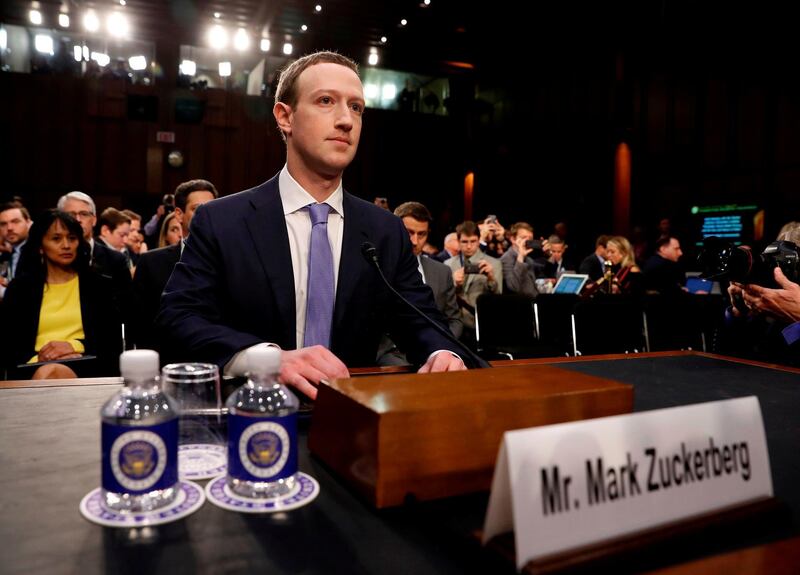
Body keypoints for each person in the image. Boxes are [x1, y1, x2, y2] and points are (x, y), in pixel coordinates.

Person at [158, 51, 466, 399]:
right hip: (251, 415)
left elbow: (420, 319)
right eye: (325, 101)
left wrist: (442, 353)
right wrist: (268, 359)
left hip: (353, 418)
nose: (346, 120)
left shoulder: (384, 230)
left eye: (356, 107)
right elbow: (179, 318)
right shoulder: (223, 220)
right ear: (284, 116)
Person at [1, 210, 122, 379]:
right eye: (56, 239)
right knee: (49, 372)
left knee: (54, 372)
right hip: (31, 368)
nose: (66, 245)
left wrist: (74, 346)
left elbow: (111, 343)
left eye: (72, 238)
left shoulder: (99, 286)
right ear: (40, 247)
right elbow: (8, 346)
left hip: (87, 366)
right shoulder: (20, 289)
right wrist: (41, 359)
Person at [132, 179, 218, 349]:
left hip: (218, 362)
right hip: (164, 363)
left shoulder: (233, 259)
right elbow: (140, 323)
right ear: (179, 214)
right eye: (198, 209)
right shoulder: (151, 263)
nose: (208, 215)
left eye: (213, 209)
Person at [0, 203, 33, 300]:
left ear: (28, 222)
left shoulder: (39, 252)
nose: (9, 228)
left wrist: (4, 292)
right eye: (3, 224)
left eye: (15, 221)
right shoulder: (5, 255)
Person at [500, 222, 539, 298]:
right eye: (523, 237)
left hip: (533, 302)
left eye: (530, 239)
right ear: (513, 239)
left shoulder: (529, 260)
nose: (527, 242)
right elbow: (514, 287)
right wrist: (520, 257)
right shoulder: (506, 259)